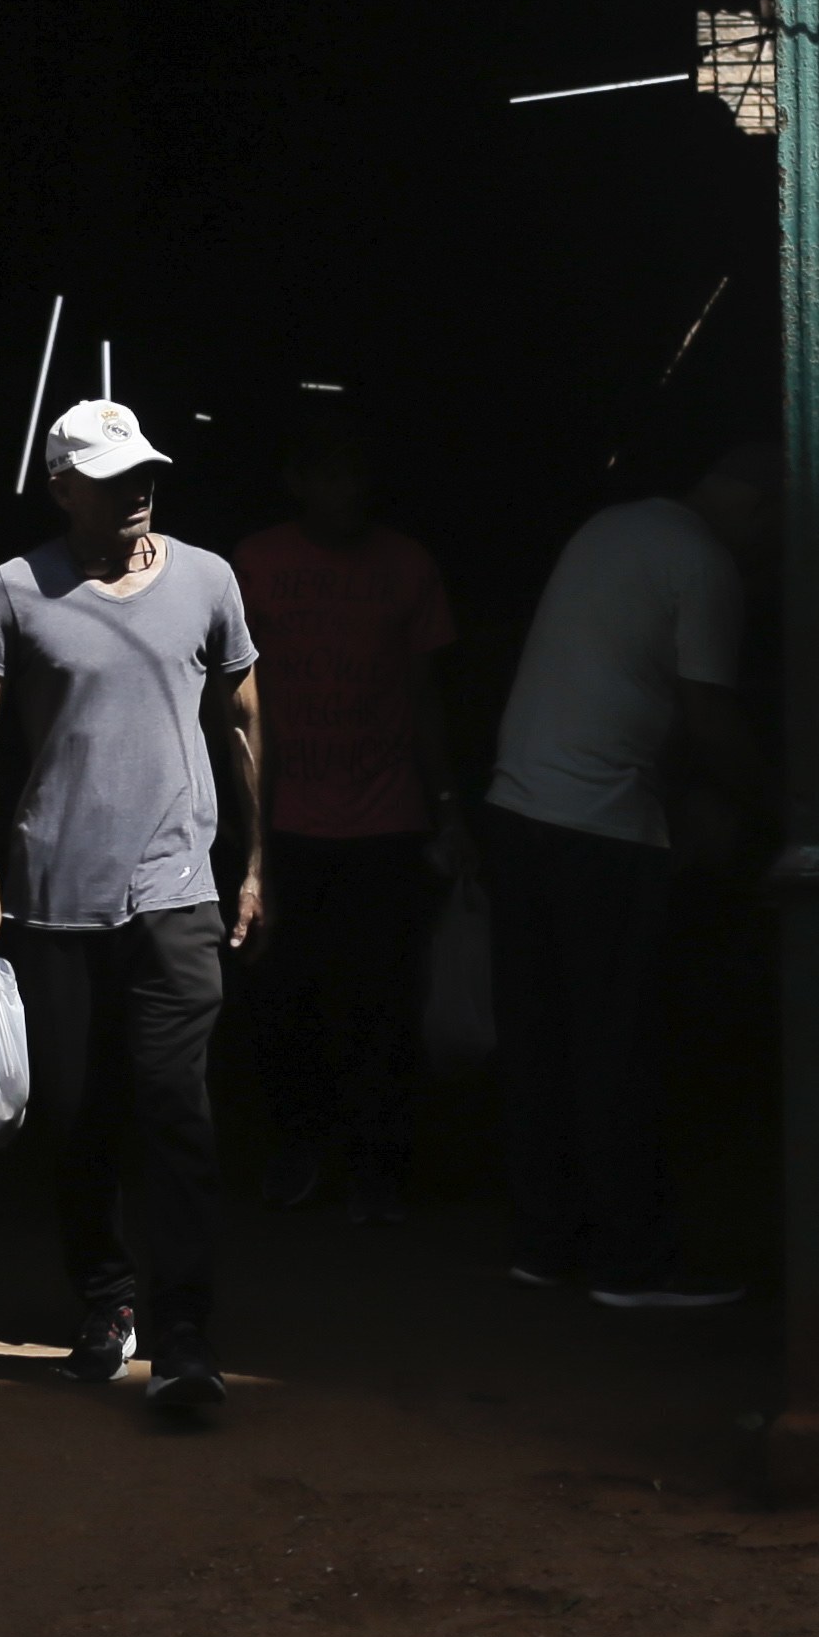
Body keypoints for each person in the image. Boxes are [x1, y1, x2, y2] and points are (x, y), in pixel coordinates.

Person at [0, 400, 263, 1422]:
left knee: (178, 1115)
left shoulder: (210, 581)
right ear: (61, 487)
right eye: (111, 475)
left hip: (177, 892)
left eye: (145, 470)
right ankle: (106, 1302)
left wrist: (255, 862)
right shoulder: (17, 590)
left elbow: (244, 722)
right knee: (80, 1120)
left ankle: (184, 1342)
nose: (138, 488)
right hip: (56, 900)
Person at [480, 440, 772, 1311]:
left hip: (519, 811)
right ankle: (630, 1264)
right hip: (600, 832)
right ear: (759, 508)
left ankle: (544, 1243)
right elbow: (711, 719)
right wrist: (784, 811)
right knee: (618, 1047)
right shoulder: (706, 564)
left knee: (541, 1041)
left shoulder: (613, 528)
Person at [231, 413, 459, 1225]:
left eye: (355, 476)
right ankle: (299, 1148)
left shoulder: (407, 565)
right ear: (298, 481)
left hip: (386, 818)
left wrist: (445, 807)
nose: (345, 492)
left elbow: (425, 696)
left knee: (383, 1003)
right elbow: (228, 700)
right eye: (327, 475)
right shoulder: (254, 564)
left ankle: (378, 1167)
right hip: (285, 818)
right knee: (285, 1000)